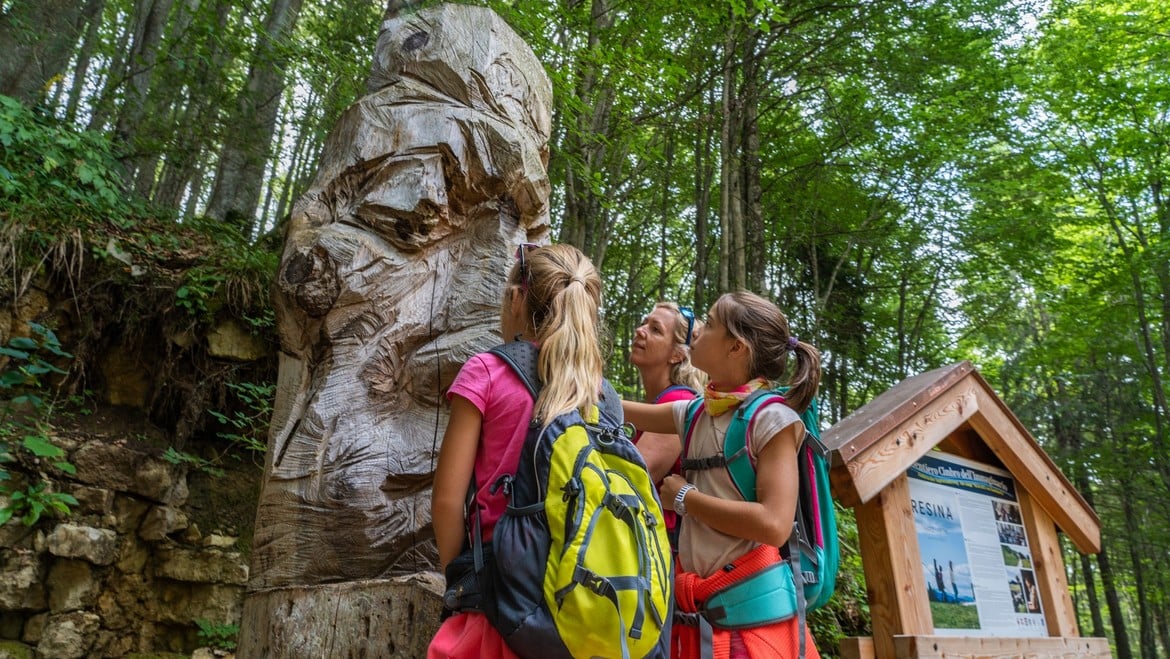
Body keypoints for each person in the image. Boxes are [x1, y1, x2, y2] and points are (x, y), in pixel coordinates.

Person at [428, 243, 605, 659]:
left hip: (496, 598)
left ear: (515, 297)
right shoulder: (595, 391)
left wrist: (463, 581)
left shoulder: (486, 371)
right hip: (574, 599)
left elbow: (447, 501)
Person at [623, 290, 822, 658]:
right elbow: (620, 410)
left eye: (710, 324)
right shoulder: (698, 412)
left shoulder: (774, 421)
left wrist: (687, 499)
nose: (697, 333)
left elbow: (775, 524)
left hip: (753, 628)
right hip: (700, 618)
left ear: (736, 348)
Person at [630, 302, 707, 482]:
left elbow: (634, 475)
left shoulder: (679, 399)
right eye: (644, 322)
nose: (640, 330)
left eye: (655, 329)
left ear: (677, 355)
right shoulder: (657, 400)